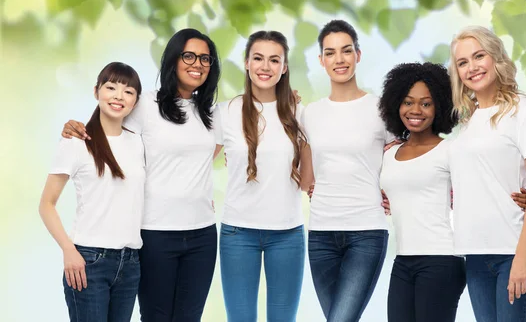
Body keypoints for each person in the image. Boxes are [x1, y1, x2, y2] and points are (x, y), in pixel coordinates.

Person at [61, 28, 222, 321]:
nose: (197, 63)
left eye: (205, 58)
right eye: (189, 56)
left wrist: (193, 186)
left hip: (203, 236)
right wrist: (75, 126)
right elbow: (110, 125)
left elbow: (209, 153)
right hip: (155, 232)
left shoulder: (211, 112)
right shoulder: (147, 104)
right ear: (173, 59)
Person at [378, 62, 526, 322]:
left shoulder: (452, 150)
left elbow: (486, 179)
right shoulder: (390, 153)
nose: (416, 110)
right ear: (396, 105)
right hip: (402, 260)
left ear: (439, 106)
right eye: (407, 102)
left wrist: (525, 194)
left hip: (441, 259)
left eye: (426, 103)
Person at [448, 25, 526, 322]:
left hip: (514, 252)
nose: (472, 67)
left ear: (496, 57)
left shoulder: (525, 110)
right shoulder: (467, 123)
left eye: (479, 56)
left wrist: (523, 257)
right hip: (476, 256)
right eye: (462, 62)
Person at [300, 20, 393, 322]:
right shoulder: (310, 114)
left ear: (358, 55)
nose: (339, 59)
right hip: (320, 234)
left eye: (346, 51)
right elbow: (304, 171)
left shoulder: (381, 110)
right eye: (331, 53)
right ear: (321, 60)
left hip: (366, 231)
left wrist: (392, 191)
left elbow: (402, 157)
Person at [39, 62, 144, 321]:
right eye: (111, 87)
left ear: (135, 101)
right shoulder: (76, 142)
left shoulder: (138, 141)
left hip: (130, 263)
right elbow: (47, 204)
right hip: (88, 261)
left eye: (128, 91)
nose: (119, 96)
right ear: (96, 91)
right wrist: (68, 250)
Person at [213, 30, 306, 322]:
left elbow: (311, 176)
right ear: (246, 63)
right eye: (258, 58)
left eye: (274, 60)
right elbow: (195, 158)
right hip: (238, 232)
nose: (265, 66)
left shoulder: (298, 111)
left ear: (284, 67)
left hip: (288, 233)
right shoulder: (224, 112)